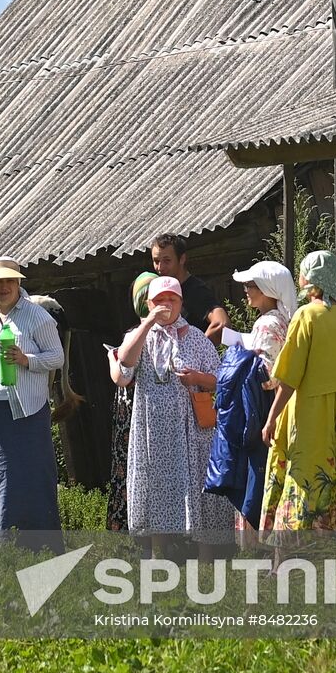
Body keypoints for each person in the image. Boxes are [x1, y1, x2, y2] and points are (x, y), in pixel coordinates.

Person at [113, 275, 230, 556]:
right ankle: (159, 553)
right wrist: (148, 322)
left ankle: (204, 555)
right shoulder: (142, 336)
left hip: (190, 429)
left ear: (180, 303)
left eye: (172, 300)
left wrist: (197, 377)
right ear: (149, 303)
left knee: (199, 485)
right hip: (152, 430)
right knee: (156, 483)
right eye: (159, 300)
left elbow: (221, 379)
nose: (166, 305)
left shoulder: (197, 339)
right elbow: (125, 364)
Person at [260, 250, 336, 533]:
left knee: (306, 476)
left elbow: (289, 377)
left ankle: (289, 554)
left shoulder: (307, 316)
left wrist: (272, 417)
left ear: (312, 279)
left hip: (313, 413)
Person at [0, 256, 67, 539]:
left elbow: (57, 358)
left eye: (9, 280)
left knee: (32, 474)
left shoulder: (37, 316)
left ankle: (39, 539)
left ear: (19, 283)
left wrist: (26, 360)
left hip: (29, 410)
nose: (3, 286)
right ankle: (0, 536)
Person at [205, 261, 297, 539]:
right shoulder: (280, 320)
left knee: (256, 476)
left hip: (260, 409)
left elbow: (268, 376)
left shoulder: (268, 323)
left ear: (269, 290)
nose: (245, 290)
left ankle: (256, 548)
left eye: (251, 285)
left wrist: (238, 361)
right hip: (272, 407)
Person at [105, 271, 158, 532]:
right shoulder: (138, 334)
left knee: (132, 469)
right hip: (135, 412)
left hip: (133, 411)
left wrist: (113, 360)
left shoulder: (138, 334)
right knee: (133, 468)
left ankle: (131, 527)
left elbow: (120, 375)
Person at [150, 233, 229, 346]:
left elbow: (222, 323)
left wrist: (195, 351)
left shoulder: (196, 290)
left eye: (167, 261)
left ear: (182, 259)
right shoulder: (160, 290)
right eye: (156, 261)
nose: (160, 267)